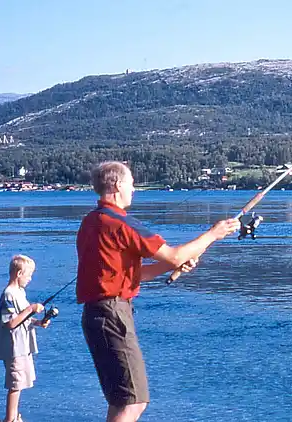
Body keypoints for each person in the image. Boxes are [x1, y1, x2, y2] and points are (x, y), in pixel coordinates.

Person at [76, 161, 240, 422]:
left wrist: (168, 266)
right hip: (112, 314)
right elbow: (175, 255)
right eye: (131, 183)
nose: (134, 189)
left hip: (98, 314)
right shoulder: (120, 223)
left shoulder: (90, 222)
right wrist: (213, 234)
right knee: (134, 402)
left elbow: (133, 274)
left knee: (121, 400)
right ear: (117, 184)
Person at [0, 254, 51, 422]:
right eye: (29, 275)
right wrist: (31, 309)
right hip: (13, 348)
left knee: (19, 383)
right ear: (19, 273)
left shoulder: (20, 292)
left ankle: (15, 415)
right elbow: (10, 323)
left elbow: (22, 319)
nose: (30, 279)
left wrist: (38, 322)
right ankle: (10, 419)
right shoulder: (8, 295)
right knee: (15, 384)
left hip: (22, 346)